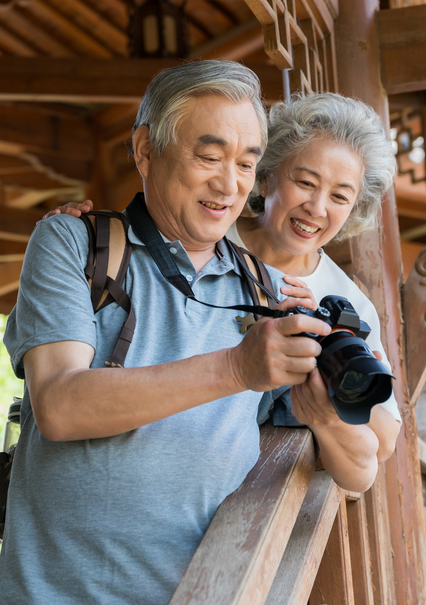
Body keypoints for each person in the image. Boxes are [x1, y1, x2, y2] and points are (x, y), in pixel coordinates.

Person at [0, 62, 381, 605]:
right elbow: (60, 406)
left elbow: (362, 468)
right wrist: (237, 367)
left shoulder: (267, 293)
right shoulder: (76, 245)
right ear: (146, 149)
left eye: (247, 163)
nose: (230, 184)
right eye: (209, 155)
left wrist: (325, 412)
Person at [51, 92, 403, 462]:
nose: (316, 208)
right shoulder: (204, 231)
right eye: (305, 182)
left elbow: (384, 443)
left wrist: (326, 363)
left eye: (340, 197)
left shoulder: (345, 299)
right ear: (264, 178)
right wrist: (79, 235)